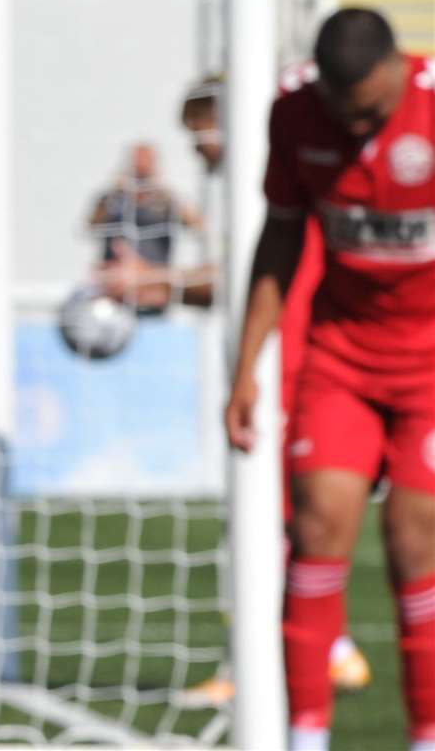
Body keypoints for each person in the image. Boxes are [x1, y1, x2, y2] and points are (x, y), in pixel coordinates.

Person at [106, 77, 372, 707]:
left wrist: (154, 280)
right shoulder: (260, 185)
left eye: (198, 130)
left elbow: (245, 279)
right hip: (284, 360)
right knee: (280, 517)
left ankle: (284, 658)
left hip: (295, 363)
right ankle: (326, 649)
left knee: (268, 519)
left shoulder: (267, 186)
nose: (195, 148)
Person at [226, 9, 435, 751]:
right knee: (317, 524)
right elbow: (281, 233)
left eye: (372, 110)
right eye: (344, 110)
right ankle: (305, 737)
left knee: (417, 541)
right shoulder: (294, 114)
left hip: (431, 365)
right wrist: (246, 364)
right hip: (342, 357)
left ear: (396, 70)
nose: (357, 125)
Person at [88, 141, 199, 273]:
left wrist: (167, 195)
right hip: (115, 274)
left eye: (146, 160)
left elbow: (196, 225)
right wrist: (115, 192)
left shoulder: (166, 200)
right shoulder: (112, 199)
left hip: (153, 276)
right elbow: (91, 225)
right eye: (137, 160)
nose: (141, 166)